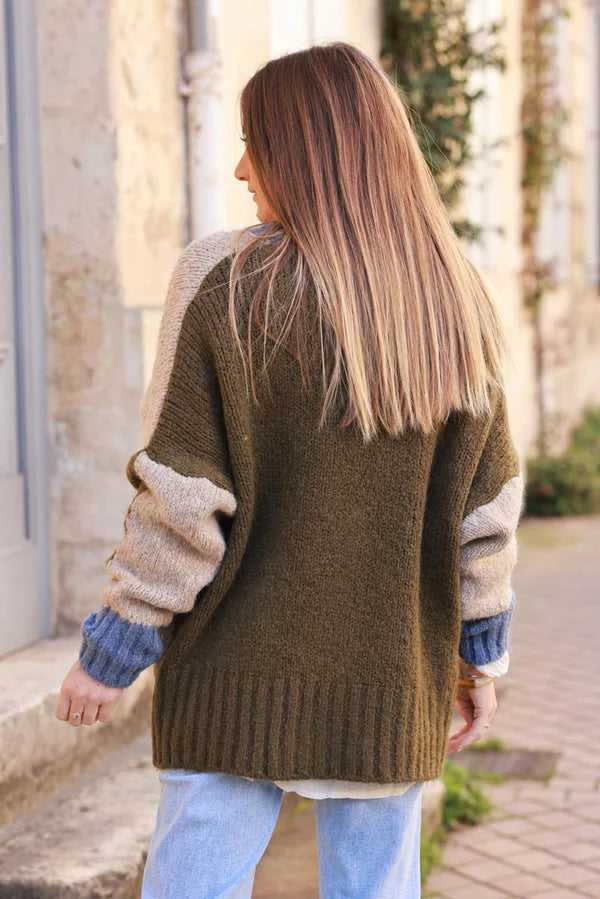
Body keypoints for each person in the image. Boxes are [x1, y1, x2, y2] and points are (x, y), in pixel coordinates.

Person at [55, 41, 524, 898]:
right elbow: (484, 514)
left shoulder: (223, 282)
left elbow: (181, 503)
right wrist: (476, 659)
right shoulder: (454, 297)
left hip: (230, 676)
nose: (239, 169)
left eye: (254, 144)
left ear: (305, 153)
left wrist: (112, 649)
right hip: (389, 680)